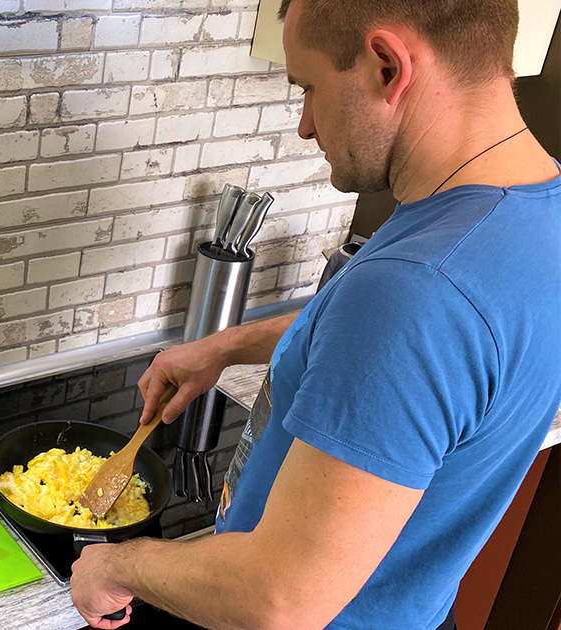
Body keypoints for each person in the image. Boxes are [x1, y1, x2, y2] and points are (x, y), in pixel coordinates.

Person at [68, 0, 561, 628]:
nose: (304, 125)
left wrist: (115, 566)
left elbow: (276, 599)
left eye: (308, 88)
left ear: (387, 67)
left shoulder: (416, 290)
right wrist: (225, 347)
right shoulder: (530, 205)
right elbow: (372, 342)